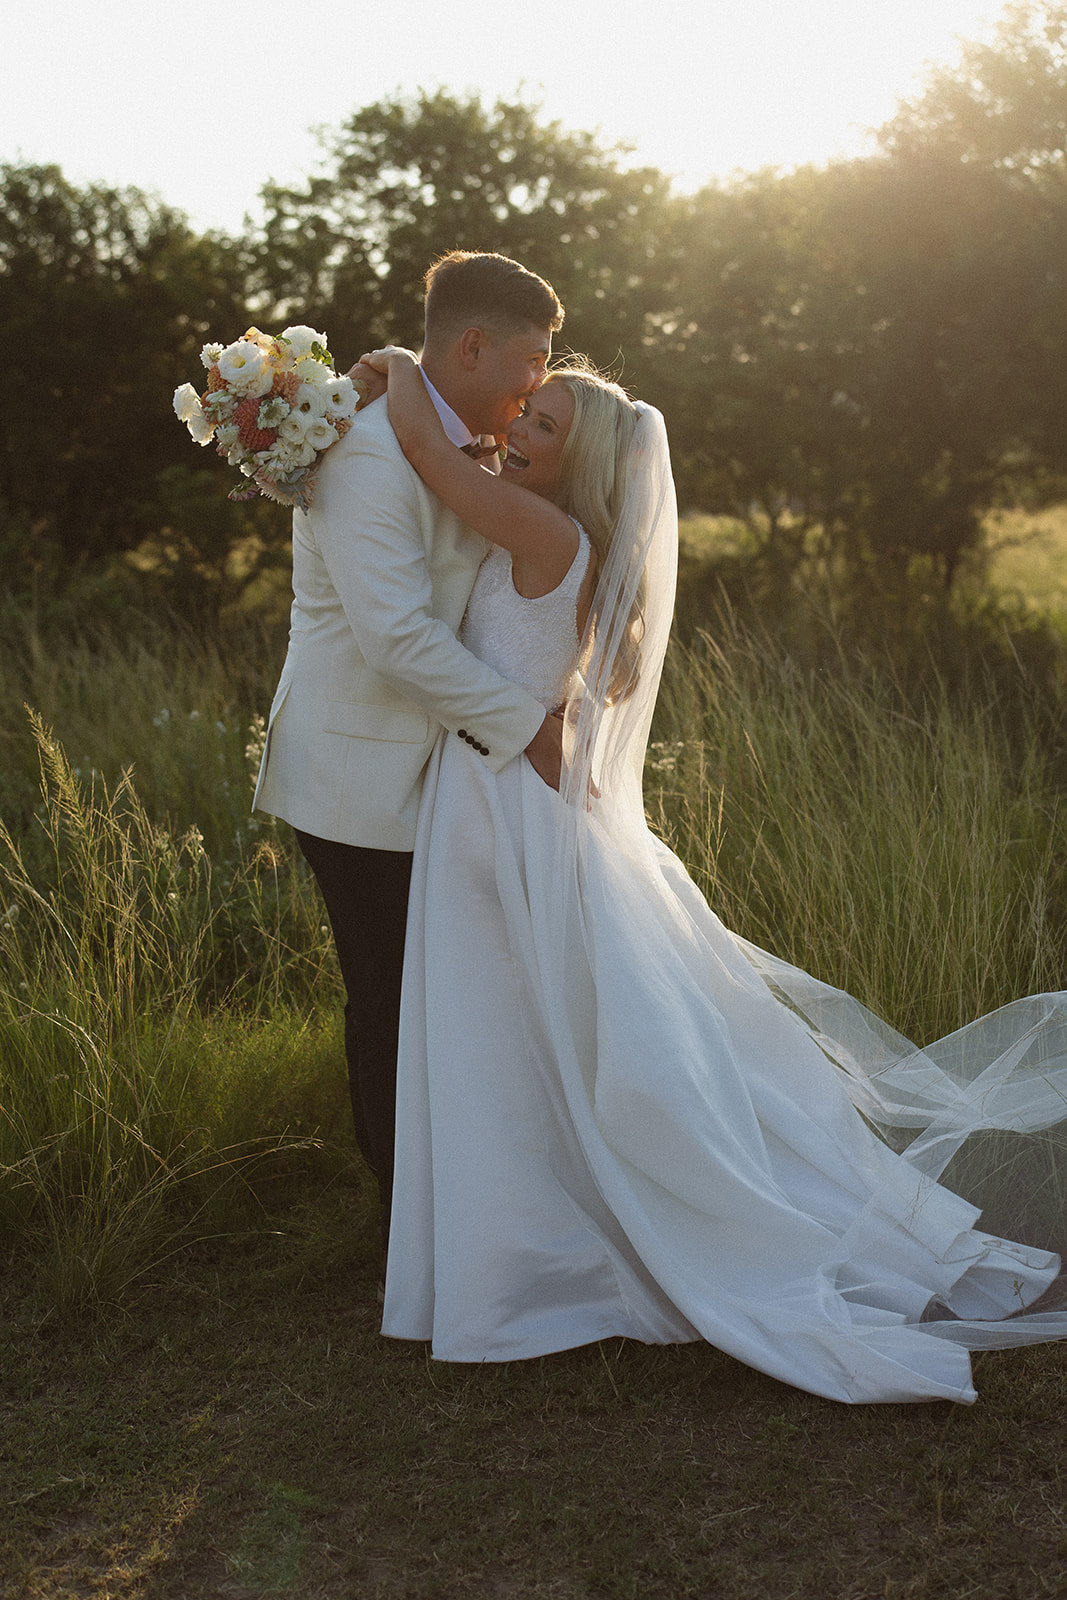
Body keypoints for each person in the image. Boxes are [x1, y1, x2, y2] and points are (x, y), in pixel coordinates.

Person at [359, 344, 1067, 1405]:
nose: (512, 435)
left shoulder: (546, 534)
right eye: (527, 414)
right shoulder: (558, 531)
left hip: (507, 807)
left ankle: (540, 1260)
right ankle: (524, 1243)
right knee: (519, 1032)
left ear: (580, 464)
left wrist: (390, 366)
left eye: (539, 427)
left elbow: (422, 444)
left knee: (516, 1024)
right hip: (503, 795)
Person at [253, 252, 566, 1252]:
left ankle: (460, 1204)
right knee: (388, 999)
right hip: (354, 774)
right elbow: (393, 636)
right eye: (528, 363)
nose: (531, 390)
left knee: (450, 995)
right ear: (469, 345)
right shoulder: (364, 448)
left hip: (435, 768)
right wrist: (527, 727)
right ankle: (405, 1233)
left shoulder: (436, 433)